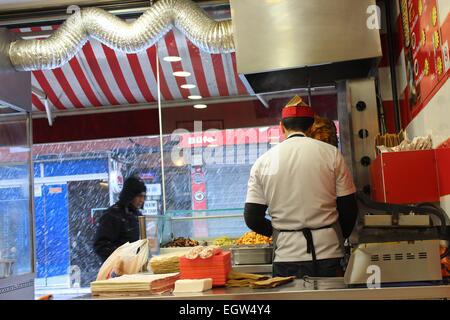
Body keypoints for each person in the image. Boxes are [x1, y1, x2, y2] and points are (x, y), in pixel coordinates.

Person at [244, 95, 358, 278]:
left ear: (281, 127)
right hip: (329, 253)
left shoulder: (263, 162)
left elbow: (252, 218)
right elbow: (349, 209)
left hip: (286, 256)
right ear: (312, 126)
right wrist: (335, 236)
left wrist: (281, 233)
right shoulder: (332, 155)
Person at [94, 175, 147, 262]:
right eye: (139, 196)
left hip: (135, 267)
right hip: (118, 271)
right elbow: (101, 245)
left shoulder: (137, 215)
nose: (142, 200)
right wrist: (123, 258)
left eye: (144, 196)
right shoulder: (112, 215)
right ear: (130, 195)